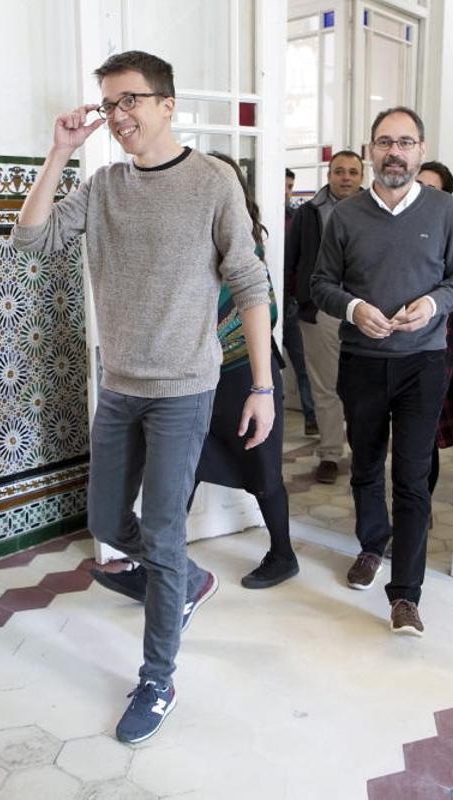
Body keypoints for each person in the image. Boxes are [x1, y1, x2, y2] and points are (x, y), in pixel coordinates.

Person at [11, 50, 273, 744]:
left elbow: (249, 282)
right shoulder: (103, 185)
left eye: (130, 100)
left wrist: (264, 387)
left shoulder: (212, 180)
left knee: (159, 532)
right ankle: (183, 580)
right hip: (120, 385)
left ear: (167, 104)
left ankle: (157, 679)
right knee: (106, 519)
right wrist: (60, 152)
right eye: (109, 104)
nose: (118, 115)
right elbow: (30, 241)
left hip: (184, 389)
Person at [311, 107, 453, 636]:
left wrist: (433, 303)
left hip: (422, 364)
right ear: (370, 150)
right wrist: (354, 308)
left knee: (411, 477)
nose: (395, 152)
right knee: (365, 467)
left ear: (421, 150)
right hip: (361, 361)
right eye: (385, 142)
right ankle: (370, 544)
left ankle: (406, 594)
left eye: (405, 143)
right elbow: (321, 284)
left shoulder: (445, 211)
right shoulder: (345, 215)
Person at [192, 152, 297, 590]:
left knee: (262, 469)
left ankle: (283, 555)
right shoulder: (185, 237)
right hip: (197, 376)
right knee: (183, 467)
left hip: (246, 373)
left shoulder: (244, 243)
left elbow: (264, 309)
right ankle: (161, 560)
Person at [286, 150, 365, 484]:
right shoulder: (309, 213)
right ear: (329, 175)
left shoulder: (375, 212)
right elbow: (290, 259)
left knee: (365, 389)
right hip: (321, 310)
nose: (345, 178)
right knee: (325, 387)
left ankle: (365, 456)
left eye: (352, 172)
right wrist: (295, 302)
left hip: (367, 311)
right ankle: (331, 453)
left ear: (362, 177)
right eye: (339, 171)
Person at [415, 162, 453, 495]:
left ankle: (422, 500)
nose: (423, 195)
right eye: (419, 186)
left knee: (429, 425)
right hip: (401, 345)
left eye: (432, 189)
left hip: (445, 338)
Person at [282, 168, 319, 437]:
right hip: (261, 302)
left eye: (290, 186)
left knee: (303, 364)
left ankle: (312, 417)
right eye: (282, 186)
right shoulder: (253, 216)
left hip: (292, 302)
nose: (286, 191)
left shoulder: (297, 217)